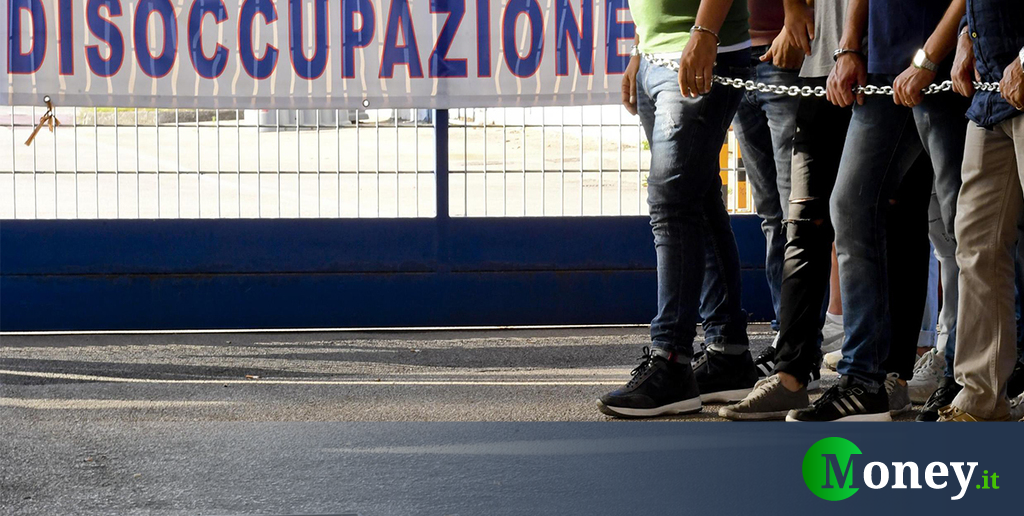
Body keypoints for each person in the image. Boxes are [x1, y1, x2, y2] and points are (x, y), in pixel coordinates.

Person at [786, 0, 970, 422]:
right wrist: (850, 47)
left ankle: (962, 376)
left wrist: (929, 57)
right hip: (885, 64)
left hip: (946, 66)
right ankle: (863, 381)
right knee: (849, 206)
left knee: (961, 227)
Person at [598, 0, 759, 418]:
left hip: (702, 50)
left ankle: (670, 361)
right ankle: (728, 355)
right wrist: (640, 49)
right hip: (658, 55)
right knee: (698, 199)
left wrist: (705, 33)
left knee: (670, 203)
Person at [720, 0, 854, 420]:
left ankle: (801, 356)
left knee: (799, 219)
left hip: (796, 54)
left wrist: (794, 16)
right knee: (775, 218)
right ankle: (789, 348)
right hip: (746, 55)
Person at [938, 0, 1024, 422]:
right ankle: (980, 397)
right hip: (992, 94)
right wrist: (966, 35)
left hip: (1018, 74)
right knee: (975, 245)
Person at [730, 0, 801, 341]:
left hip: (782, 53)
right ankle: (786, 330)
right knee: (772, 214)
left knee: (794, 212)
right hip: (736, 59)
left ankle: (798, 337)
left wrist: (793, 23)